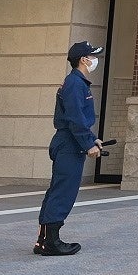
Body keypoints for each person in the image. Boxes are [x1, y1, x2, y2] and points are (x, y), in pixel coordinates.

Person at [34, 42, 104, 256]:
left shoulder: (75, 82)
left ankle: (44, 240)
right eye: (92, 56)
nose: (95, 60)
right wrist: (87, 144)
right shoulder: (75, 83)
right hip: (69, 143)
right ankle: (51, 243)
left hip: (69, 140)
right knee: (63, 192)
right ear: (84, 59)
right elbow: (74, 118)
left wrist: (92, 139)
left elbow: (78, 118)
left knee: (57, 190)